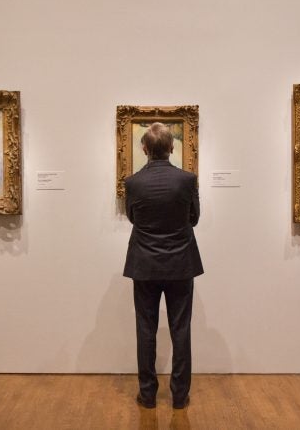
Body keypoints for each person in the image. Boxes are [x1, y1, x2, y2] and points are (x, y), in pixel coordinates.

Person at [123, 122, 204, 410]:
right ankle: (180, 397)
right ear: (172, 148)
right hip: (180, 262)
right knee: (180, 329)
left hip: (144, 263)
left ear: (144, 149)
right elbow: (194, 218)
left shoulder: (133, 182)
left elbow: (132, 217)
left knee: (145, 329)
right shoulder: (187, 179)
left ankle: (148, 396)